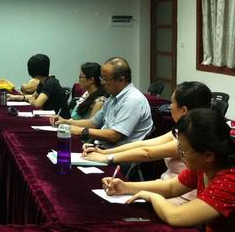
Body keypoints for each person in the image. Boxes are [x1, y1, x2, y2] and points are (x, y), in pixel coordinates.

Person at [102, 108, 235, 230]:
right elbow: (171, 187)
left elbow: (176, 216)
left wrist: (153, 197)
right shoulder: (204, 166)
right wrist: (125, 187)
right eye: (179, 149)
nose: (181, 156)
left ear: (208, 155)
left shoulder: (230, 180)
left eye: (183, 151)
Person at [84, 81, 213, 203]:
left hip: (182, 197)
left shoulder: (194, 137)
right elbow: (145, 144)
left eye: (172, 102)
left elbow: (147, 153)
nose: (169, 106)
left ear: (184, 110)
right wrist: (105, 152)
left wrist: (108, 158)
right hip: (165, 187)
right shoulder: (183, 129)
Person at [50, 57, 152, 148]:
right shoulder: (113, 97)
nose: (102, 82)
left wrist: (82, 131)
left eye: (105, 79)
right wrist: (66, 122)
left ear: (121, 80)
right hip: (103, 148)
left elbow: (114, 136)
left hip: (118, 156)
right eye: (101, 78)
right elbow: (93, 123)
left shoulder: (132, 100)